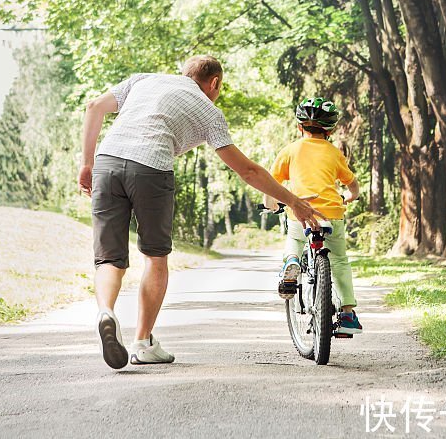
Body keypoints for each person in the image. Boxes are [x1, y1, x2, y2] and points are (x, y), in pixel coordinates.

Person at [78, 55, 325, 369]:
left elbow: (94, 107)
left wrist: (87, 164)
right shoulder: (209, 110)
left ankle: (106, 312)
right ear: (215, 83)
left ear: (184, 73)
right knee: (155, 257)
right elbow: (248, 171)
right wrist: (294, 201)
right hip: (152, 168)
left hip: (108, 161)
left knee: (109, 259)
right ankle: (142, 342)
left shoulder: (144, 79)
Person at [263, 97, 363, 335]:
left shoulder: (290, 150)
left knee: (295, 239)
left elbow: (271, 184)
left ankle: (292, 262)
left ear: (299, 126)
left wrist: (272, 205)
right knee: (338, 260)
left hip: (300, 212)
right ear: (330, 129)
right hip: (331, 215)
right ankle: (347, 315)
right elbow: (352, 184)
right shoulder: (334, 153)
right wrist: (350, 197)